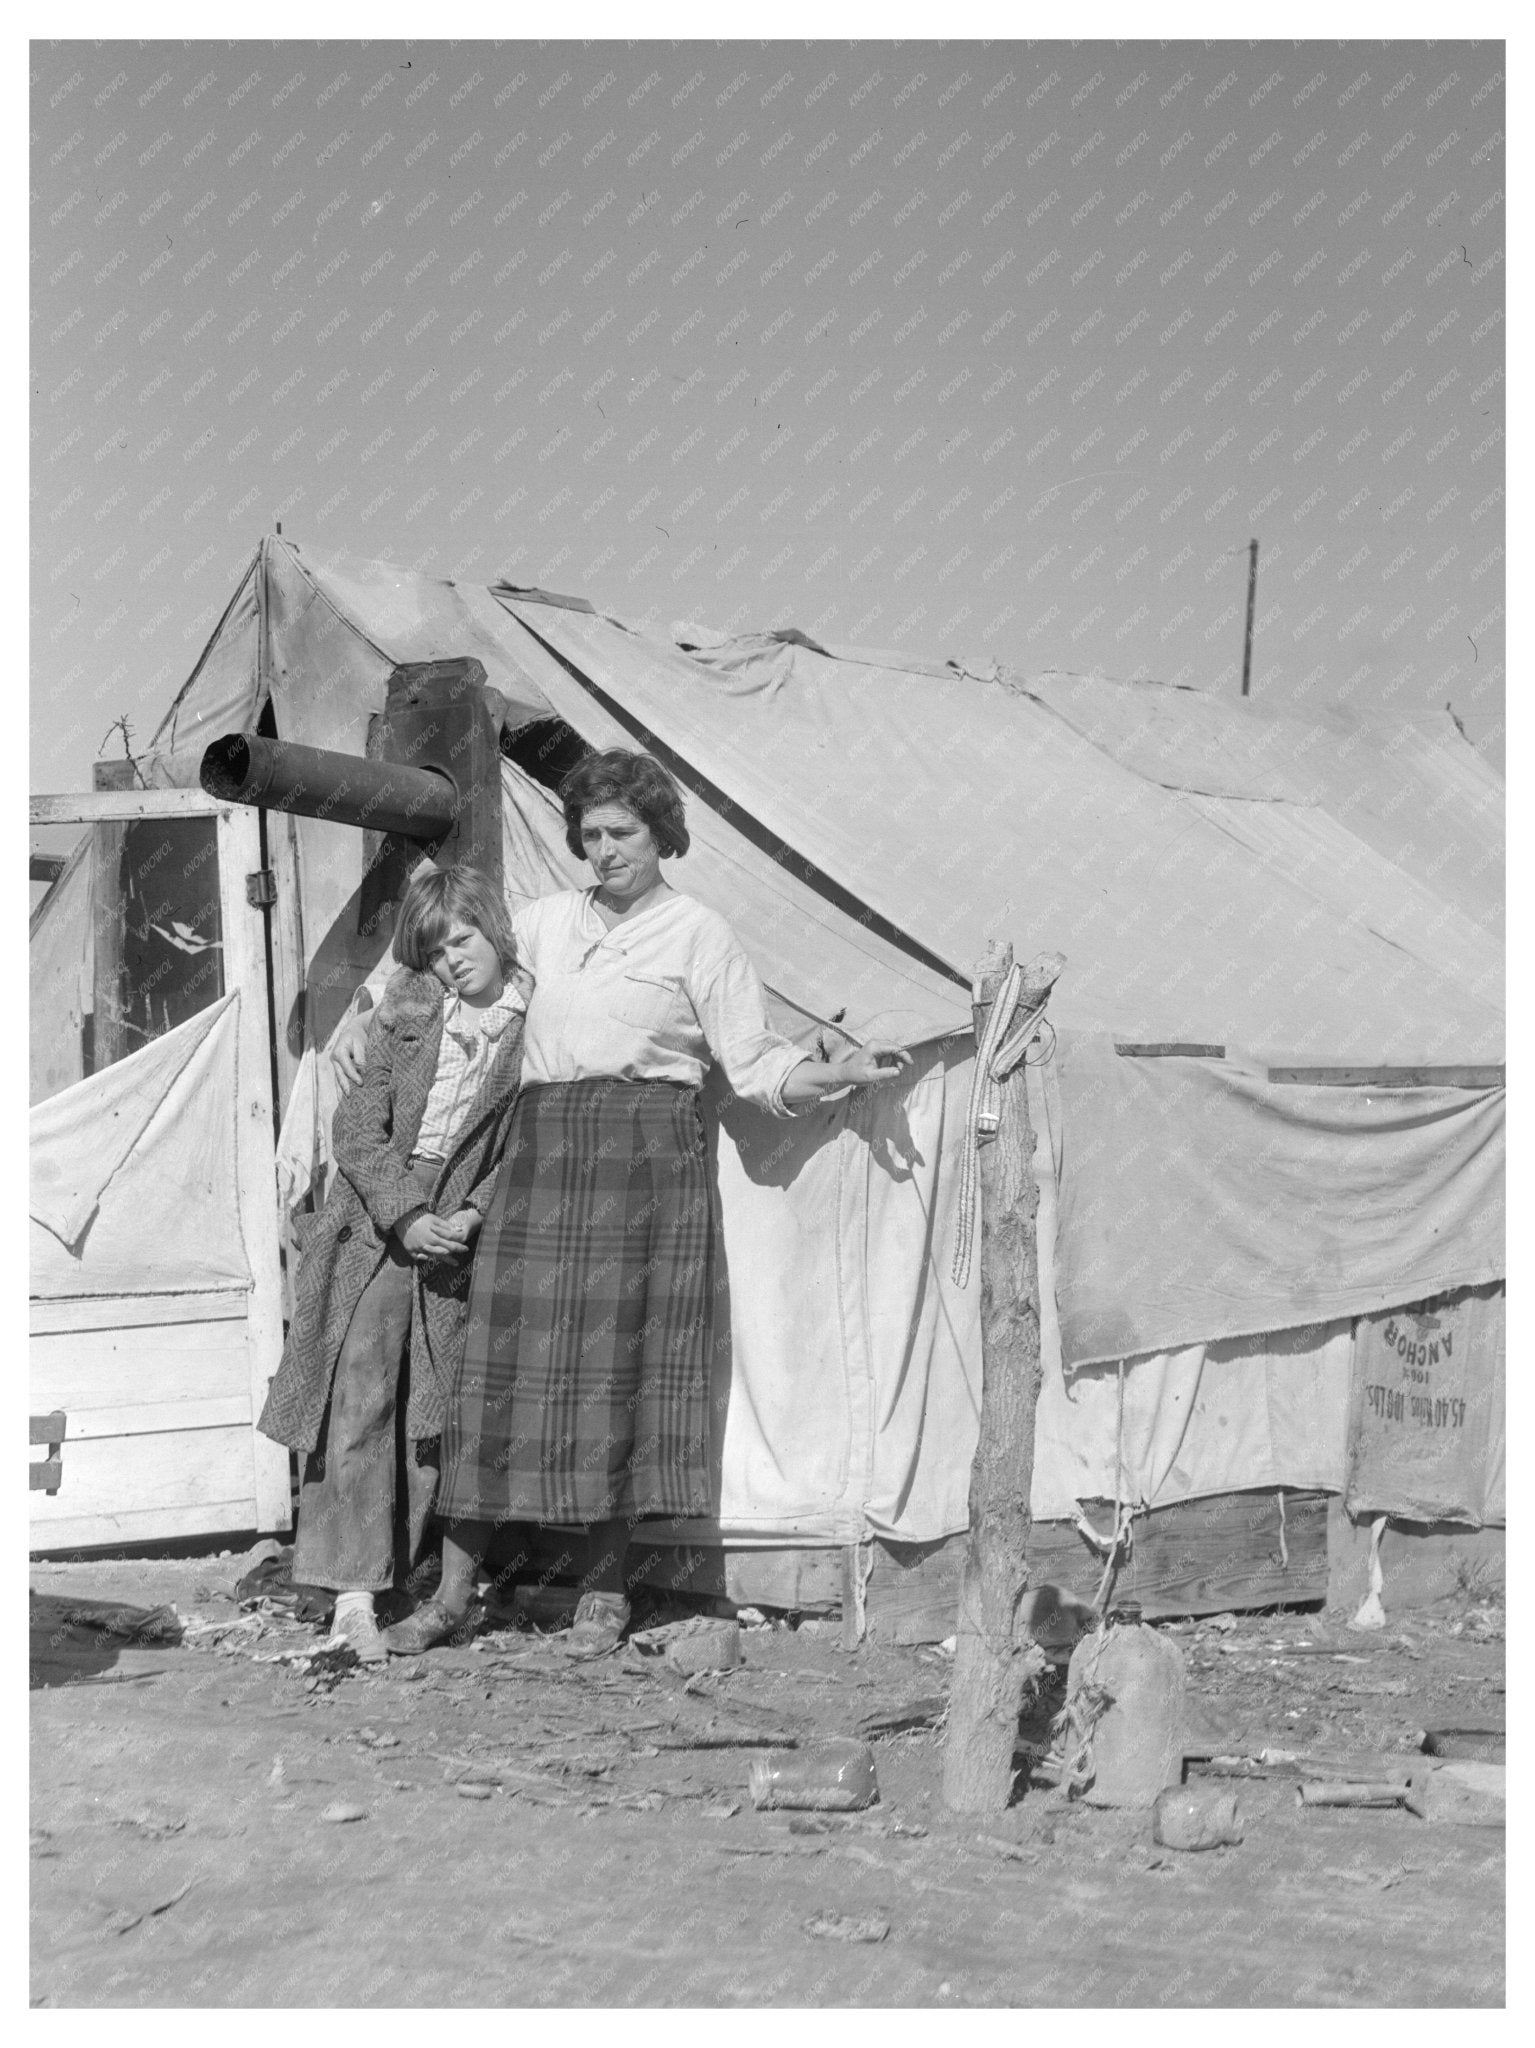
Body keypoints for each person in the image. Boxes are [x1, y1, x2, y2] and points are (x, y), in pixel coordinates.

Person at [336, 750, 911, 1661]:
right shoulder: (543, 922)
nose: (604, 852)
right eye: (590, 835)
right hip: (543, 1150)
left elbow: (753, 1061)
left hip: (646, 1163)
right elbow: (461, 982)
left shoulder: (699, 934)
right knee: (499, 1375)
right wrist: (378, 1024)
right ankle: (450, 1595)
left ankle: (603, 1596)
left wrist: (831, 1075)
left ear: (660, 837)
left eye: (622, 834)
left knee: (617, 1383)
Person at [260, 864, 527, 1663]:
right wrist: (407, 1214)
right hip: (383, 1219)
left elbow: (531, 1141)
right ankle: (350, 1594)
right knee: (362, 1388)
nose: (453, 959)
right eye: (438, 948)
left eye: (465, 938)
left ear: (496, 931)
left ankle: (408, 1575)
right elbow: (356, 1129)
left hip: (470, 1227)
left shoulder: (536, 1023)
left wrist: (473, 1212)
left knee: (437, 1409)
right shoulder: (410, 1007)